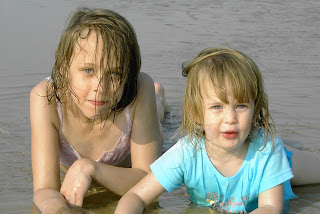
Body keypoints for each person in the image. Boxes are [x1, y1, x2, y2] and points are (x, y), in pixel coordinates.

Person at [115, 47, 320, 214]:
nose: (230, 119)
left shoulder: (268, 153)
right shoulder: (187, 153)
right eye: (217, 107)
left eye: (241, 106)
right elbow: (136, 196)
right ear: (196, 113)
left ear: (255, 109)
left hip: (275, 159)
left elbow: (269, 208)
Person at [30, 7, 169, 213]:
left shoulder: (138, 88)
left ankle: (157, 98)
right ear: (63, 69)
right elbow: (44, 190)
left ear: (129, 75)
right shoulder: (46, 98)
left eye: (114, 74)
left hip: (130, 117)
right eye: (88, 70)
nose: (100, 88)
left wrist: (88, 167)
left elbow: (147, 180)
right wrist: (59, 210)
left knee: (158, 118)